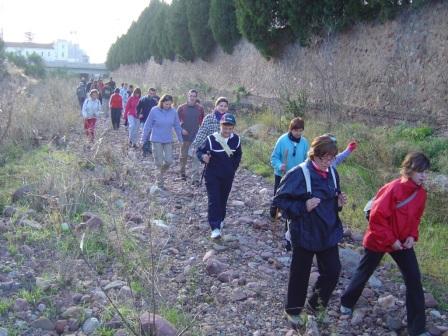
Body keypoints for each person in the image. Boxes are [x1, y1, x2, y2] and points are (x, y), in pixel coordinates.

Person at [340, 152, 431, 336]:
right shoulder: (393, 188)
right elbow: (376, 218)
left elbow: (416, 218)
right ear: (409, 169)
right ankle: (346, 302)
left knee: (414, 279)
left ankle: (417, 329)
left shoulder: (421, 194)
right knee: (364, 271)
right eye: (420, 171)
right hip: (379, 238)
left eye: (425, 172)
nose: (423, 175)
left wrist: (412, 236)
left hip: (403, 243)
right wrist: (392, 241)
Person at [273, 135, 347, 329]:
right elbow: (280, 202)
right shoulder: (298, 174)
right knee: (300, 273)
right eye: (325, 158)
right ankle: (293, 311)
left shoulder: (332, 172)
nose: (329, 162)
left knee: (333, 271)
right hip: (304, 232)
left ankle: (314, 306)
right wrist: (303, 206)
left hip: (328, 231)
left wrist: (339, 203)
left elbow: (332, 199)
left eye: (332, 158)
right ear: (314, 155)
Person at [197, 113, 242, 239]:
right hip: (212, 175)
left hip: (228, 176)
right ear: (220, 126)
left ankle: (220, 219)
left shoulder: (236, 140)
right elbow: (199, 151)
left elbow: (238, 155)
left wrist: (233, 168)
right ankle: (215, 227)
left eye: (230, 128)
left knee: (223, 199)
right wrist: (203, 157)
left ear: (233, 128)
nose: (227, 130)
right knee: (214, 200)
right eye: (224, 127)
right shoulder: (211, 139)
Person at [270, 117, 309, 218]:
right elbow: (274, 157)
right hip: (282, 173)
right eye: (296, 130)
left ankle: (289, 214)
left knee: (294, 195)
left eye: (300, 130)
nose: (298, 133)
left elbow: (307, 159)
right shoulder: (282, 140)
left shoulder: (304, 142)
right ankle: (274, 212)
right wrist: (279, 165)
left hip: (297, 174)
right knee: (279, 194)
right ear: (291, 129)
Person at [141, 94, 183, 188]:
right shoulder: (154, 110)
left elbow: (177, 126)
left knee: (169, 161)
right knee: (159, 162)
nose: (168, 106)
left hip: (168, 139)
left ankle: (160, 174)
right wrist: (143, 139)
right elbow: (147, 125)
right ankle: (160, 183)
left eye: (170, 104)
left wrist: (180, 139)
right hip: (156, 139)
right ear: (162, 102)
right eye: (166, 104)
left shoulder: (173, 112)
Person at [190, 97, 230, 186]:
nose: (223, 108)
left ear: (227, 108)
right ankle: (195, 179)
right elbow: (202, 130)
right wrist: (197, 144)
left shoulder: (229, 119)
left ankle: (216, 179)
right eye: (221, 105)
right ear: (216, 106)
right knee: (197, 157)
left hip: (221, 145)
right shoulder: (209, 118)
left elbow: (230, 134)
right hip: (207, 142)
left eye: (225, 106)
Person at [177, 89, 205, 180]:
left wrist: (202, 133)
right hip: (184, 136)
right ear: (187, 96)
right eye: (191, 96)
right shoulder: (181, 108)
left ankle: (195, 177)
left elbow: (202, 122)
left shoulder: (200, 108)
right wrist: (181, 129)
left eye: (194, 96)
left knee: (196, 156)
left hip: (196, 136)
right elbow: (176, 122)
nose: (192, 98)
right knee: (183, 155)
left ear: (196, 97)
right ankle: (182, 173)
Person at [138, 88, 159, 155]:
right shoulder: (143, 99)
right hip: (144, 119)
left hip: (153, 121)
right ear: (148, 93)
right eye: (151, 93)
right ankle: (144, 150)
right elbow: (138, 107)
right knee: (145, 134)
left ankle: (149, 148)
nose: (152, 95)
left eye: (153, 94)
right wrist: (139, 114)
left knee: (151, 135)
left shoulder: (157, 100)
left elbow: (160, 109)